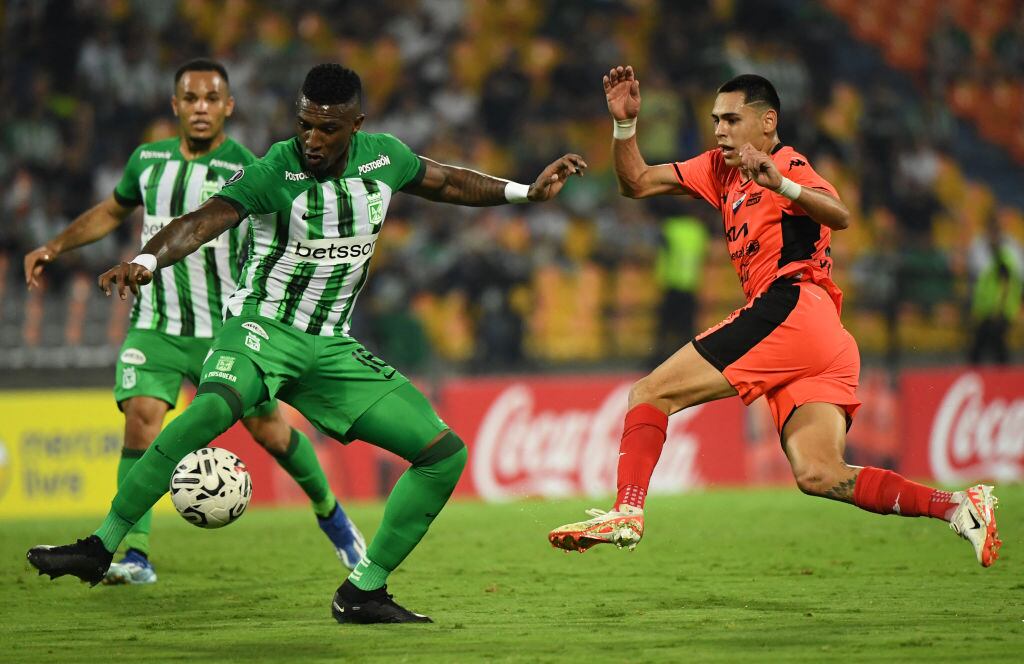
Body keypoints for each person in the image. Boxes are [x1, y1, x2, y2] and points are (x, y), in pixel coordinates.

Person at [29, 63, 587, 623]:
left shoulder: (384, 157)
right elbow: (205, 219)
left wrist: (525, 192)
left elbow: (442, 180)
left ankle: (363, 590)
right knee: (207, 414)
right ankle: (99, 548)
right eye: (305, 126)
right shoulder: (277, 167)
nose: (312, 140)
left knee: (444, 455)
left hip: (331, 347)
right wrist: (147, 259)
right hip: (261, 329)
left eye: (327, 130)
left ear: (356, 125)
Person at [548, 66, 1001, 568]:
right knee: (820, 474)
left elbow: (840, 214)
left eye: (731, 119)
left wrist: (782, 183)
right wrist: (625, 126)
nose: (720, 129)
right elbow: (635, 182)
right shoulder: (719, 170)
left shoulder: (788, 162)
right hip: (821, 336)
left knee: (649, 393)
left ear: (767, 122)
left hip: (791, 308)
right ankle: (959, 506)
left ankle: (626, 511)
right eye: (716, 120)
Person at [23, 59, 365, 585]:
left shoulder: (254, 167)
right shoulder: (148, 161)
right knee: (140, 419)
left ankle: (333, 516)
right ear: (175, 105)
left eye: (211, 98)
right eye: (191, 98)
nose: (201, 107)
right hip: (156, 323)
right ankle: (134, 555)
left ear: (228, 107)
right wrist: (54, 245)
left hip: (224, 328)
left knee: (272, 433)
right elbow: (113, 211)